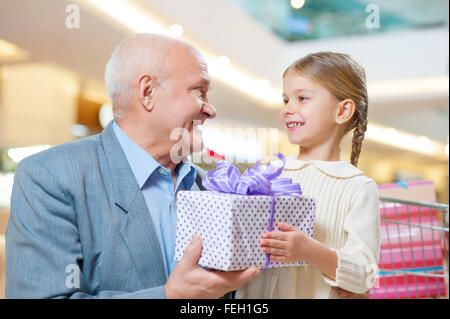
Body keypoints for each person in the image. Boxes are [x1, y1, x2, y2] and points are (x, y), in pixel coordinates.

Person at [5, 33, 260, 298]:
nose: (211, 110)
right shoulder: (50, 176)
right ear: (147, 92)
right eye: (199, 91)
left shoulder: (207, 186)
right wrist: (170, 296)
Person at [236, 52, 380, 299]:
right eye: (286, 100)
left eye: (302, 98)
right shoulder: (268, 174)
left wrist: (309, 250)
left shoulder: (357, 187)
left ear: (342, 111)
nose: (287, 110)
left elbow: (365, 275)